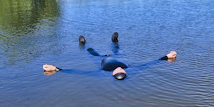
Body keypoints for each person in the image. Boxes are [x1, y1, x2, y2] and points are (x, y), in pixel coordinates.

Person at [43, 33, 177, 80]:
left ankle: (83, 43)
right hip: (114, 55)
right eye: (122, 72)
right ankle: (114, 40)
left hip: (101, 58)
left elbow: (78, 72)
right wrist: (167, 56)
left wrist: (55, 69)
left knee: (92, 52)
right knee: (117, 50)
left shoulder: (103, 71)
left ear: (113, 74)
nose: (120, 70)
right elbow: (151, 63)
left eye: (119, 72)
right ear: (124, 72)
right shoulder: (131, 69)